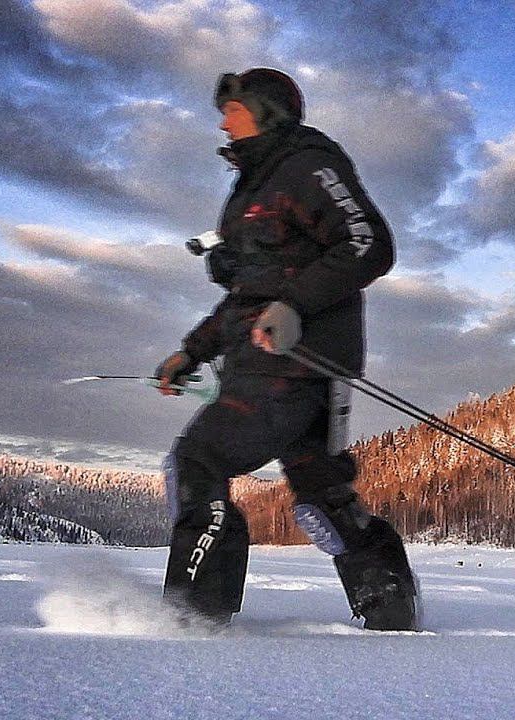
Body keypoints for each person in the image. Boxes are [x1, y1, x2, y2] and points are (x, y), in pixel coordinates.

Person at [154, 68, 417, 630]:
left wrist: (293, 306)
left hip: (290, 366)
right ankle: (392, 614)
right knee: (322, 498)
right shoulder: (254, 184)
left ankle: (194, 616)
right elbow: (252, 295)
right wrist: (191, 352)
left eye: (234, 109)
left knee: (198, 461)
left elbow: (369, 243)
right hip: (282, 367)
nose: (223, 120)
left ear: (266, 110)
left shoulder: (307, 165)